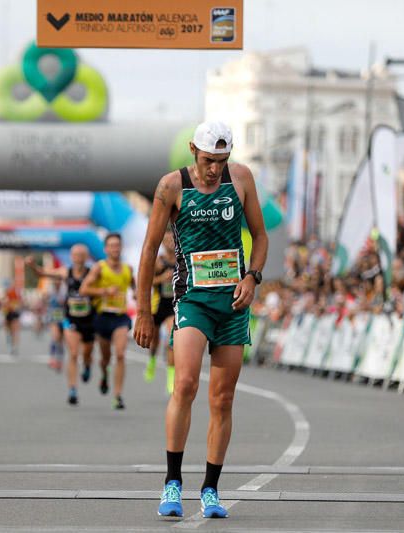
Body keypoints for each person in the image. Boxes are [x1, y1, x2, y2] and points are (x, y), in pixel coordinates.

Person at [134, 121, 268, 519]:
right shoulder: (171, 187)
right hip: (192, 298)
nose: (215, 169)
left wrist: (252, 277)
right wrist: (143, 310)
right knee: (187, 383)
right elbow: (148, 250)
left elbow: (260, 237)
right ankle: (172, 481)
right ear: (193, 150)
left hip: (233, 303)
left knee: (223, 399)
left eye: (221, 161)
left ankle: (210, 488)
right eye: (209, 161)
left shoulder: (241, 178)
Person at [26, 244, 96, 405]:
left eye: (81, 255)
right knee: (72, 353)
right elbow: (43, 273)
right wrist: (32, 265)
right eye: (75, 255)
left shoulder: (93, 273)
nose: (78, 258)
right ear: (71, 257)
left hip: (89, 319)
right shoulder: (66, 272)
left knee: (87, 352)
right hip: (71, 317)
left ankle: (87, 366)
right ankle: (72, 389)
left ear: (86, 257)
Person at [80, 233, 134, 410]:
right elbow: (84, 289)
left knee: (120, 354)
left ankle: (117, 395)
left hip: (120, 317)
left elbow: (134, 286)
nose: (115, 249)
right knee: (105, 359)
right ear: (105, 249)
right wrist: (104, 291)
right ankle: (104, 374)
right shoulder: (99, 268)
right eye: (111, 245)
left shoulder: (128, 269)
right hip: (103, 317)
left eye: (117, 245)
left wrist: (136, 294)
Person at [144, 227, 177, 395]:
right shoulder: (159, 261)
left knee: (172, 339)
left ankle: (171, 380)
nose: (170, 242)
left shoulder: (181, 260)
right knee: (154, 341)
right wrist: (162, 278)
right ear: (163, 242)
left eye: (173, 239)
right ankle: (151, 360)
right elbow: (147, 281)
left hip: (173, 306)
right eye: (167, 240)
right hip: (158, 305)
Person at [1, 281, 22, 355]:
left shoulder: (17, 292)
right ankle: (8, 336)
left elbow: (19, 302)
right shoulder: (7, 292)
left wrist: (15, 306)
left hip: (14, 313)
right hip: (8, 312)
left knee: (14, 330)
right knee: (8, 328)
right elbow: (4, 302)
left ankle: (14, 347)